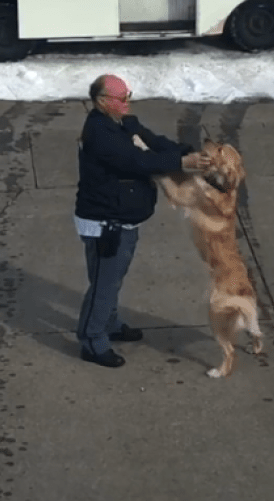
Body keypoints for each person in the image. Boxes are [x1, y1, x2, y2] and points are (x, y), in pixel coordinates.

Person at [74, 74, 210, 368]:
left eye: (128, 95)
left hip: (123, 220)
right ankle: (92, 340)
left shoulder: (122, 122)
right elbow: (138, 161)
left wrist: (184, 153)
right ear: (101, 102)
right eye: (121, 98)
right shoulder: (100, 134)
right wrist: (182, 164)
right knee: (104, 283)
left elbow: (153, 143)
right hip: (105, 224)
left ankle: (109, 323)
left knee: (112, 279)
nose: (127, 102)